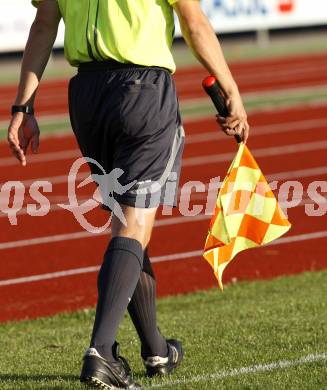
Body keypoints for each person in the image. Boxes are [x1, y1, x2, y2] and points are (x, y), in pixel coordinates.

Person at [7, 0, 250, 389]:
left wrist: (23, 105)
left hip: (87, 95)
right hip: (142, 90)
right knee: (133, 225)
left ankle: (156, 349)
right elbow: (193, 20)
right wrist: (230, 87)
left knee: (128, 224)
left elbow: (44, 24)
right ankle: (101, 351)